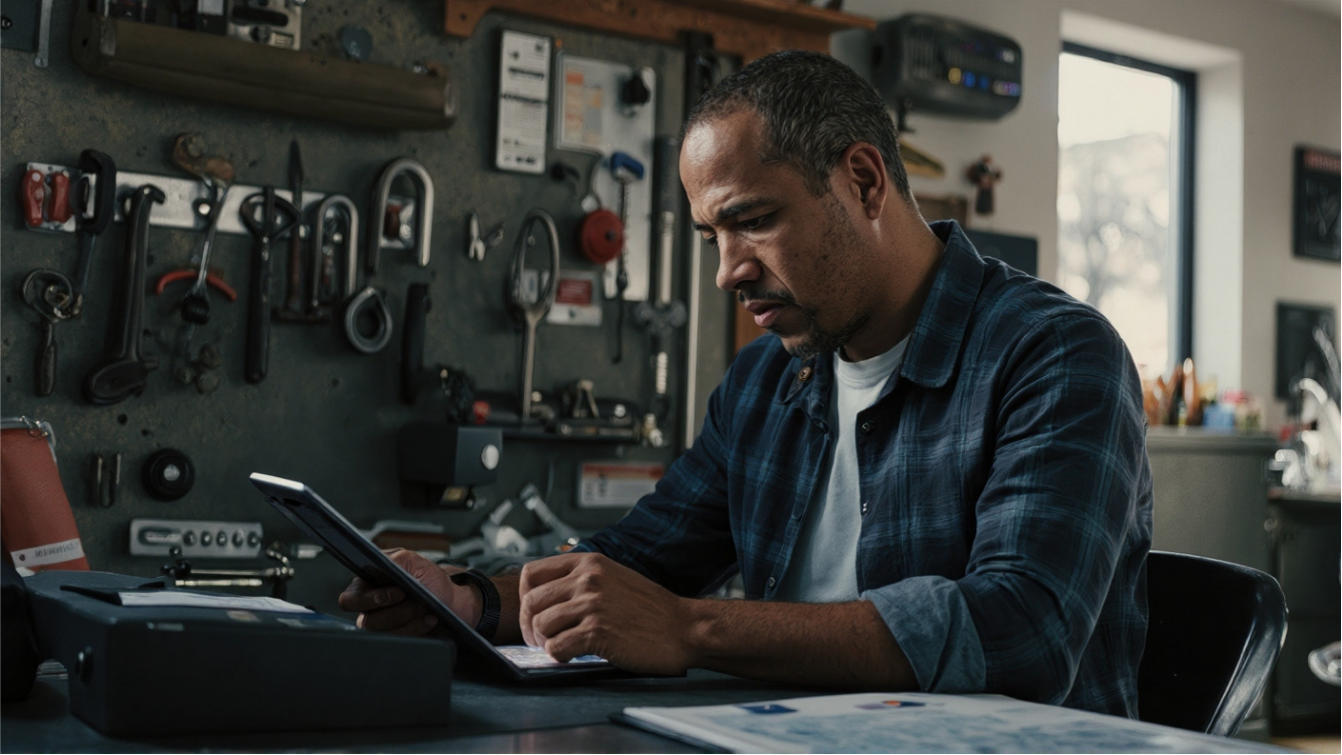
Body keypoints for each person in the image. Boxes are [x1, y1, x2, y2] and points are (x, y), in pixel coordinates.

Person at [341, 50, 1153, 718]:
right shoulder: (769, 377)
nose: (729, 271)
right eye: (711, 236)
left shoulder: (1055, 354)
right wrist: (474, 599)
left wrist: (691, 629)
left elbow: (1022, 634)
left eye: (754, 220)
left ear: (864, 183)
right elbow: (641, 564)